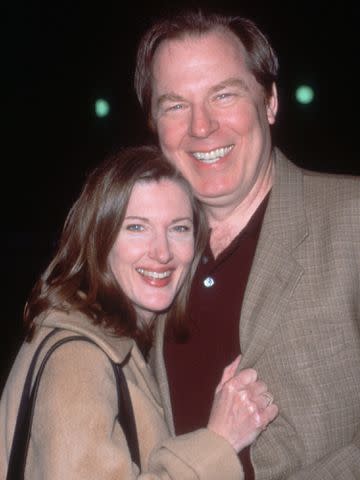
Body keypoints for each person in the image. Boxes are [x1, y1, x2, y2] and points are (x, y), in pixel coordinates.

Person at [134, 9, 360, 480]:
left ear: (270, 101)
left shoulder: (350, 219)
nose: (201, 127)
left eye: (223, 95)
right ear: (154, 125)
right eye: (175, 105)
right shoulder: (146, 258)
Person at [0, 145, 278, 479]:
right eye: (136, 227)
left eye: (178, 228)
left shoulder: (98, 336)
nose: (161, 252)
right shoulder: (77, 358)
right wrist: (218, 441)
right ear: (100, 237)